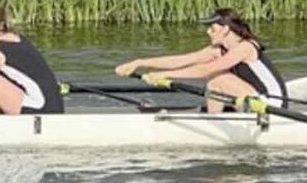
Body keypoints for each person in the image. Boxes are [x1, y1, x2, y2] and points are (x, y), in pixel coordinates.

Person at [114, 8, 288, 113]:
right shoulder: (219, 49)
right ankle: (215, 119)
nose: (208, 33)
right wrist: (139, 62)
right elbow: (183, 60)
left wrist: (163, 76)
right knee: (215, 80)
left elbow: (205, 70)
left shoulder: (245, 47)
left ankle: (215, 121)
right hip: (252, 99)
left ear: (226, 30)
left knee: (217, 78)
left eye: (212, 29)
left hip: (273, 104)